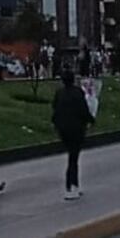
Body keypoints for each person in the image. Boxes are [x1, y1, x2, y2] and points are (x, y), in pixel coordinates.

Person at [52, 71, 95, 200]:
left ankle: (73, 184)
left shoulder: (59, 93)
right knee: (73, 158)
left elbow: (55, 109)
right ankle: (71, 185)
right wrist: (91, 120)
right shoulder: (77, 93)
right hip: (76, 129)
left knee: (72, 157)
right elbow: (83, 109)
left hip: (63, 129)